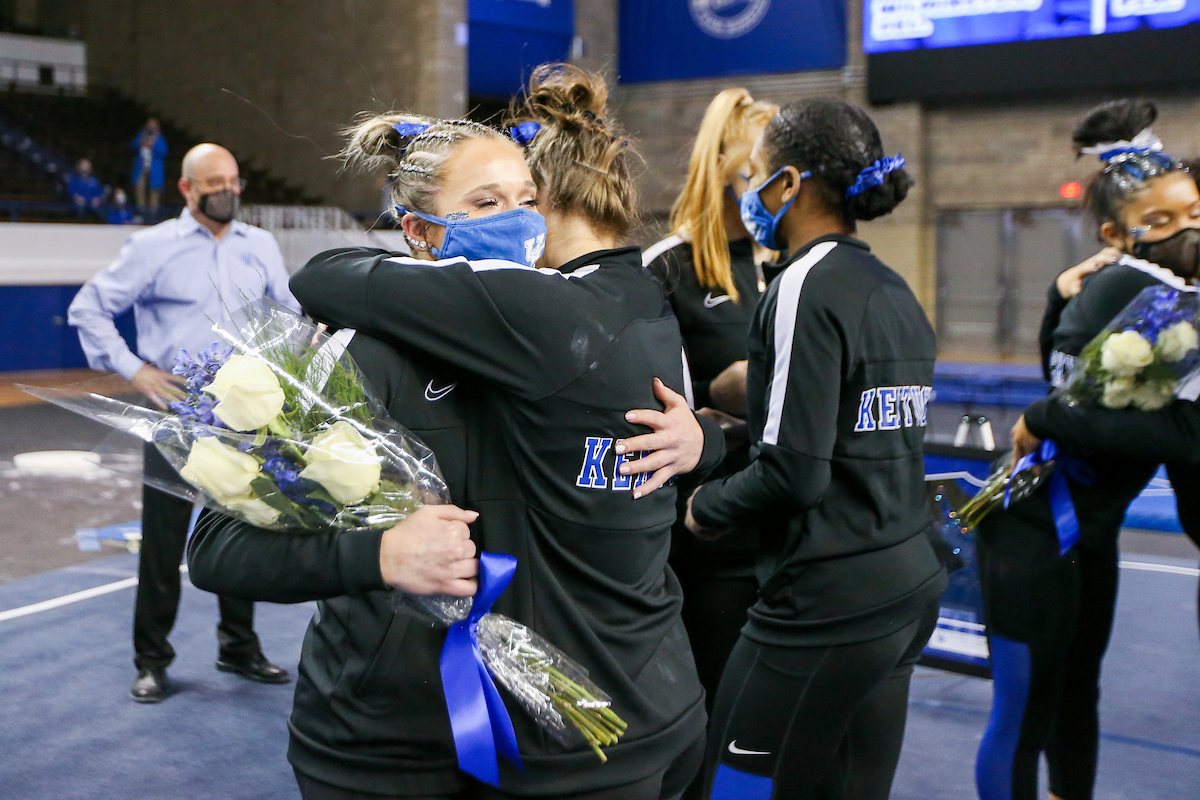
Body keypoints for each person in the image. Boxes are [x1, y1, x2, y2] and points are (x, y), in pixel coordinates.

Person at [189, 64, 724, 799]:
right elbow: (216, 548)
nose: (520, 221)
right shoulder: (349, 353)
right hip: (379, 744)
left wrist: (700, 440)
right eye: (486, 202)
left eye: (528, 200)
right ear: (419, 232)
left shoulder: (556, 335)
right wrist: (375, 555)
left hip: (524, 740)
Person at [684, 97, 946, 800]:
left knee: (735, 789)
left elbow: (794, 474)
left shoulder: (804, 281)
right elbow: (853, 426)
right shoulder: (894, 290)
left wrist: (708, 504)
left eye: (758, 175)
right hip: (908, 583)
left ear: (790, 186)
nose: (750, 193)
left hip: (829, 599)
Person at [973, 99, 1200, 800]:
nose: (1188, 231)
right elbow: (1179, 435)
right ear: (1118, 234)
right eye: (1162, 222)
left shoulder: (1142, 292)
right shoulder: (1146, 294)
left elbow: (1065, 393)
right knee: (1029, 713)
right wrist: (1049, 412)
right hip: (1033, 532)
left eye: (1195, 211)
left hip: (1084, 534)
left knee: (1076, 699)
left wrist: (1048, 407)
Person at [68, 143, 297, 704]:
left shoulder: (259, 244)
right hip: (173, 411)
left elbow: (288, 313)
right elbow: (88, 308)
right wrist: (134, 370)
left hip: (244, 413)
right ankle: (152, 660)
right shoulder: (151, 247)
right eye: (216, 182)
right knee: (164, 541)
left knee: (242, 529)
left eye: (235, 181)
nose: (229, 191)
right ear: (187, 190)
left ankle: (238, 647)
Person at [642, 88, 778, 720]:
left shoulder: (789, 265)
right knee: (708, 723)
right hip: (709, 539)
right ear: (727, 168)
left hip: (791, 529)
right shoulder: (668, 268)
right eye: (761, 171)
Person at [130, 118, 167, 213]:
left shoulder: (159, 138)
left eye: (153, 125)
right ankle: (141, 210)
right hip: (141, 167)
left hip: (154, 168)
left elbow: (164, 151)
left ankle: (153, 212)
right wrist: (141, 143)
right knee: (139, 188)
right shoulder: (141, 135)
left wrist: (152, 146)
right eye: (149, 124)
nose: (151, 127)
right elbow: (132, 146)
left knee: (154, 190)